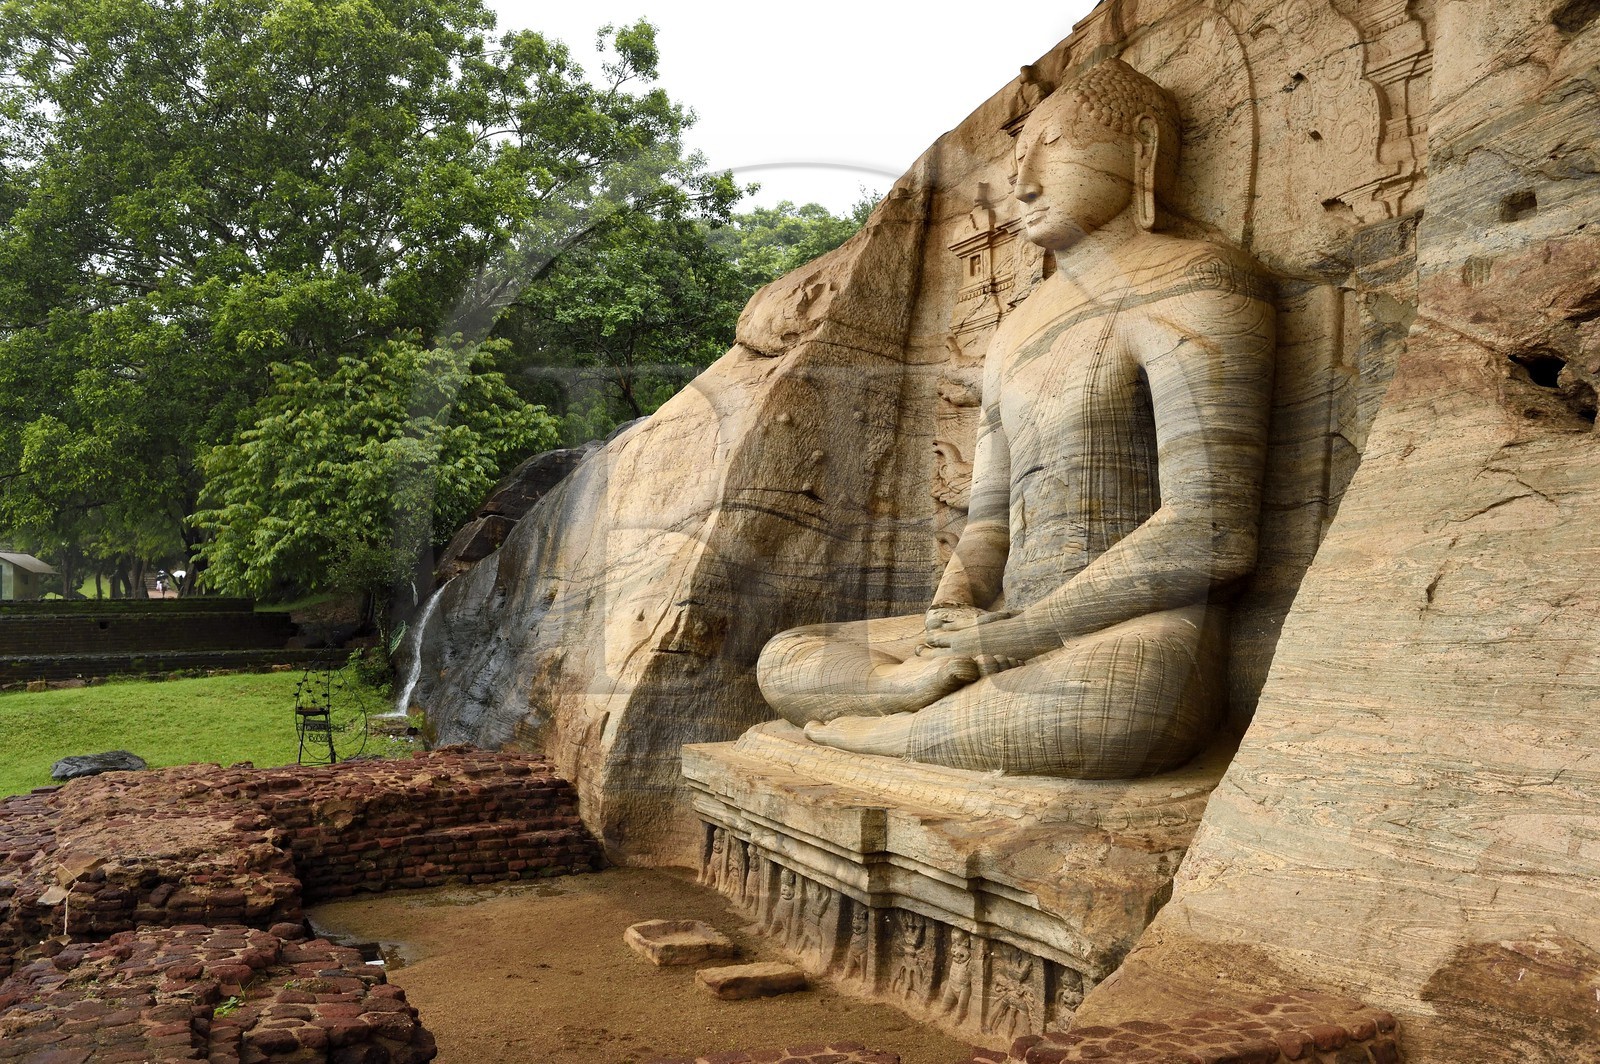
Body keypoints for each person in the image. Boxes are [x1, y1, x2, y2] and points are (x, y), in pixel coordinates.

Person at [755, 59, 1275, 778]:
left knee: (1127, 698)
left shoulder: (1199, 281)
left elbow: (1211, 530)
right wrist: (954, 606)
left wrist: (1019, 636)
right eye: (1017, 157)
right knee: (785, 656)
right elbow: (989, 521)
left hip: (1123, 632)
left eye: (1053, 146)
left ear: (1143, 147)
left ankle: (904, 732)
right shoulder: (1013, 332)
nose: (1023, 181)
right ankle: (908, 694)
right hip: (1000, 626)